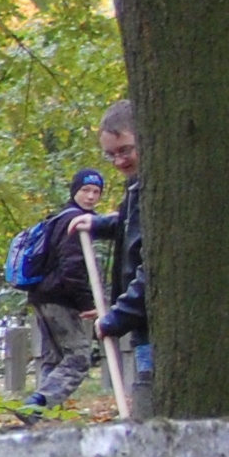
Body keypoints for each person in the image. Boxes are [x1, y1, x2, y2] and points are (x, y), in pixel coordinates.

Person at [70, 100, 148, 412]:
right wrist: (100, 223)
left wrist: (118, 316)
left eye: (126, 150)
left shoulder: (150, 187)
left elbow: (150, 265)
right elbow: (131, 224)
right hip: (143, 324)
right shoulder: (135, 187)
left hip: (149, 323)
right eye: (111, 154)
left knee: (150, 400)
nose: (118, 161)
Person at [21, 168, 106, 412]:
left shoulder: (61, 218)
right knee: (79, 358)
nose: (90, 197)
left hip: (43, 296)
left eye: (96, 192)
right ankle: (39, 403)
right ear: (74, 191)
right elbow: (73, 269)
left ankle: (38, 414)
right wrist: (87, 303)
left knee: (55, 359)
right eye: (85, 190)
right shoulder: (73, 223)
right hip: (60, 299)